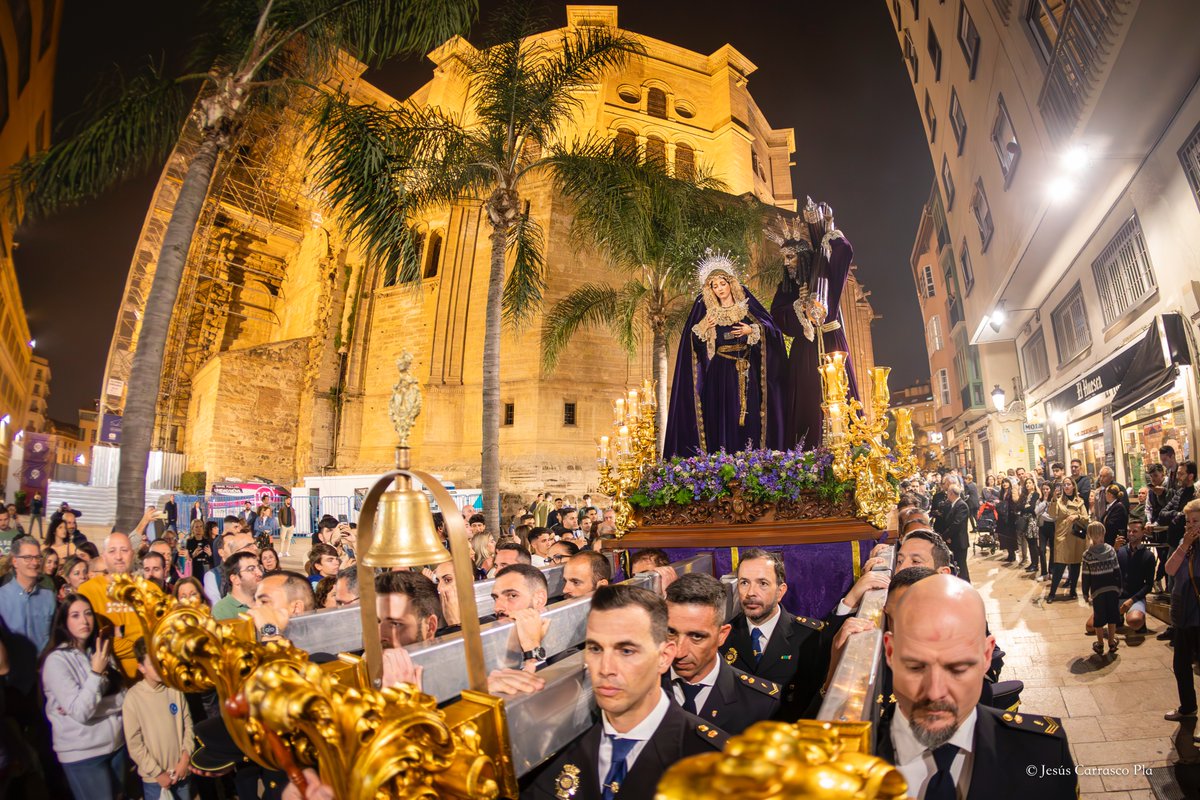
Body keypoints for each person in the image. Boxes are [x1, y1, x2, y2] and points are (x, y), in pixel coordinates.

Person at [877, 575, 1076, 797]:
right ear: (890, 652)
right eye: (915, 667)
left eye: (958, 669)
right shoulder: (849, 765)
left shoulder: (1044, 752)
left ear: (986, 656)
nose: (934, 692)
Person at [527, 584, 728, 799]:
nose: (605, 669)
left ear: (664, 657)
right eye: (595, 648)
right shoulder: (553, 747)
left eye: (626, 651)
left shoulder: (715, 764)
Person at [663, 249, 784, 458]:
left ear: (731, 283)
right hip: (719, 374)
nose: (719, 289)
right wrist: (703, 328)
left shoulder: (746, 309)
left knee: (748, 416)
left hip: (746, 372)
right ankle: (722, 463)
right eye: (714, 286)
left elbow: (773, 331)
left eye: (722, 283)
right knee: (722, 416)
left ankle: (750, 462)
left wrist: (752, 330)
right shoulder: (709, 313)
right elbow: (692, 346)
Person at [765, 203, 856, 450]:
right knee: (807, 400)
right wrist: (800, 308)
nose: (787, 263)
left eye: (791, 256)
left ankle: (846, 451)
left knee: (838, 394)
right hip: (804, 351)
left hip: (831, 343)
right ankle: (806, 455)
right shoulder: (787, 288)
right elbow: (778, 316)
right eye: (784, 258)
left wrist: (828, 229)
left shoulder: (827, 275)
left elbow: (844, 252)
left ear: (804, 256)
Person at [663, 573, 779, 734]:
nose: (679, 652)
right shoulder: (640, 688)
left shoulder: (762, 703)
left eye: (696, 636)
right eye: (671, 632)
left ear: (722, 635)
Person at [719, 549, 827, 721]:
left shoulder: (811, 636)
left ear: (780, 591)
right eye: (744, 583)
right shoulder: (722, 636)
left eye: (762, 583)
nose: (751, 592)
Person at [39, 594, 128, 800]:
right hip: (83, 753)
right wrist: (96, 674)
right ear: (64, 622)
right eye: (75, 615)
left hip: (115, 745)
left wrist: (89, 705)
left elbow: (123, 697)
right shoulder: (56, 661)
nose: (84, 620)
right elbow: (80, 712)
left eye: (88, 614)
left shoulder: (99, 650)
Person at [123, 637, 194, 800]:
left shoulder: (174, 689)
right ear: (141, 668)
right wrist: (158, 773)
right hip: (155, 781)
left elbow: (188, 724)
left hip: (182, 773)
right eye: (153, 663)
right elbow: (134, 745)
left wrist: (185, 759)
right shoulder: (133, 698)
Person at [77, 532, 145, 681]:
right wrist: (140, 643)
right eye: (112, 551)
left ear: (132, 554)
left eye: (124, 550)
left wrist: (117, 638)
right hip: (104, 682)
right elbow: (94, 642)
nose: (119, 557)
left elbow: (155, 639)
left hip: (145, 682)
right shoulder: (88, 591)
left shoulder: (149, 590)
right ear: (104, 556)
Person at [1164, 499, 1200, 727]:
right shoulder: (1184, 543)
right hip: (1183, 612)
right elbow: (1169, 569)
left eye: (1195, 521)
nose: (1190, 525)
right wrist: (1185, 544)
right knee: (1181, 665)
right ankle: (1188, 707)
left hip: (1198, 613)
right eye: (1188, 521)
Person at [1106, 514, 1155, 635]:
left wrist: (1132, 600)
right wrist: (1114, 550)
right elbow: (1107, 570)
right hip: (1118, 596)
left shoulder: (1148, 556)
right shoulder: (1120, 551)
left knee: (1134, 621)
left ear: (1143, 533)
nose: (1131, 534)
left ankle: (1139, 620)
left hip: (1135, 597)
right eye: (1129, 531)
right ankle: (1119, 618)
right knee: (1090, 626)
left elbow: (1149, 585)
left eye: (1135, 531)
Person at [1080, 521, 1120, 657]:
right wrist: (1119, 587)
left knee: (1099, 617)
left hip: (1098, 591)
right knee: (1112, 616)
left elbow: (1086, 576)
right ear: (1104, 533)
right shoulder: (1111, 550)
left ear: (1089, 535)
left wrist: (1085, 593)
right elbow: (1117, 570)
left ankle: (1100, 643)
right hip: (1112, 588)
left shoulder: (1087, 555)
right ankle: (1112, 642)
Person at [1047, 477, 1088, 604]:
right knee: (1059, 566)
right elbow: (1052, 514)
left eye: (1068, 484)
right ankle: (1052, 593)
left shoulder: (1079, 501)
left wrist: (1077, 516)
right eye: (1064, 485)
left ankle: (1073, 590)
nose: (1066, 486)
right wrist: (1054, 499)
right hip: (1062, 537)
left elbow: (1086, 518)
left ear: (1073, 486)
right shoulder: (1059, 501)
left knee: (1075, 566)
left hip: (1076, 537)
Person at [212, 551, 263, 620]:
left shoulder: (266, 601)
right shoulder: (222, 610)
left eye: (259, 568)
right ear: (235, 579)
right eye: (251, 569)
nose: (260, 573)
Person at [1016, 476, 1040, 570]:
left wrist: (1025, 507)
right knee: (1029, 542)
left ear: (1033, 484)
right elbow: (1018, 506)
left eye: (1030, 483)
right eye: (1026, 483)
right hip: (1024, 520)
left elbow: (1032, 508)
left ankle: (1035, 564)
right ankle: (1032, 563)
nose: (1027, 485)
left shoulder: (1035, 494)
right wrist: (1025, 506)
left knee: (1033, 543)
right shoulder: (1024, 495)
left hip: (1032, 521)